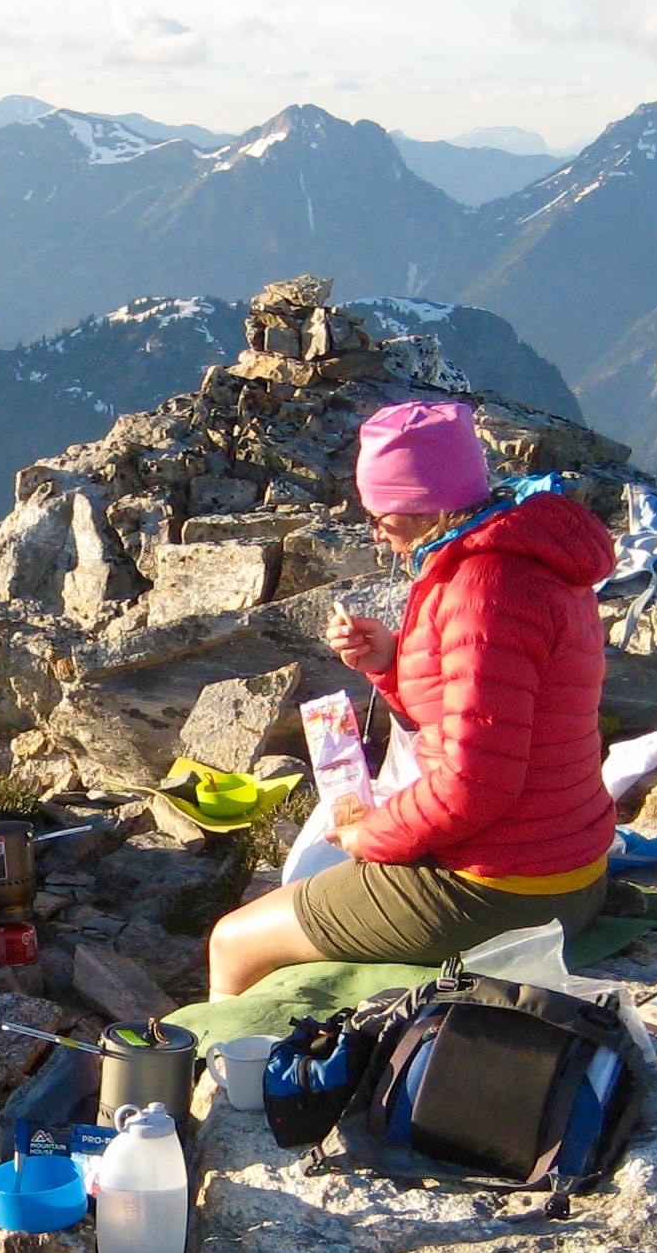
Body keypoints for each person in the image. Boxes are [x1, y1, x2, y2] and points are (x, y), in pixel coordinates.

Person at [207, 398, 617, 998]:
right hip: (568, 867)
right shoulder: (519, 555)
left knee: (234, 941)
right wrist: (390, 664)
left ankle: (225, 1081)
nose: (377, 531)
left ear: (425, 504)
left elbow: (476, 784)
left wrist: (368, 835)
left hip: (505, 890)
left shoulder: (486, 588)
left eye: (383, 514)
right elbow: (490, 711)